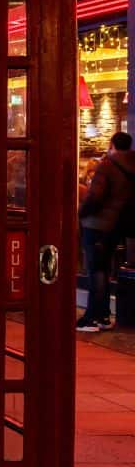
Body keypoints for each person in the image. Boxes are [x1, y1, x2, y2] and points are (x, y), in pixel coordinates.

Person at [78, 131, 135, 331]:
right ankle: (103, 316)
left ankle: (93, 317)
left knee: (96, 271)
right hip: (117, 225)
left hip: (97, 224)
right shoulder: (132, 165)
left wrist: (81, 213)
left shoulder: (107, 165)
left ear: (112, 144)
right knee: (105, 268)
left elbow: (95, 196)